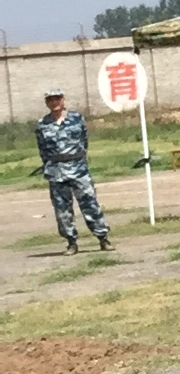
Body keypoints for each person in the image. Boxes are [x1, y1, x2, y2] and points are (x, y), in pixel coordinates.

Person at [35, 90, 111, 252]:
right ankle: (71, 242)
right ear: (46, 103)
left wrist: (78, 158)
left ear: (63, 100)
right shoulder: (42, 124)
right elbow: (42, 149)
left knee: (90, 204)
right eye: (50, 100)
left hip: (78, 168)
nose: (54, 102)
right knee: (62, 209)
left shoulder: (76, 118)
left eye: (57, 99)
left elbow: (84, 141)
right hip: (56, 171)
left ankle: (103, 238)